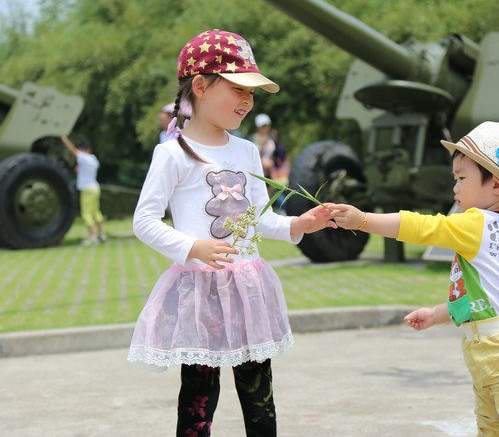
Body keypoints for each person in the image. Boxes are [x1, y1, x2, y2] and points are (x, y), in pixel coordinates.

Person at [127, 29, 336, 436]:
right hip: (200, 292)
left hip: (247, 289)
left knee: (259, 391)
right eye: (238, 88)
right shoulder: (172, 154)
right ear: (200, 87)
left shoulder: (246, 151)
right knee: (199, 393)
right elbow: (144, 220)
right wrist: (193, 247)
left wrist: (299, 224)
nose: (247, 100)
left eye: (251, 93)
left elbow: (257, 220)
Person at [328, 122, 499, 436]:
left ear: (497, 186)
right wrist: (435, 314)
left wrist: (364, 220)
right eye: (454, 179)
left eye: (462, 178)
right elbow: (481, 300)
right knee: (493, 428)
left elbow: (423, 227)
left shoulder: (476, 222)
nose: (455, 188)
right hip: (495, 350)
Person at [60, 135, 106, 245]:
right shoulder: (93, 159)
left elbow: (73, 150)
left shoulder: (83, 157)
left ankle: (92, 236)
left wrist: (64, 139)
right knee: (96, 212)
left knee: (86, 214)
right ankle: (102, 234)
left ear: (83, 149)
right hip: (95, 187)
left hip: (87, 189)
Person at [250, 113, 276, 179]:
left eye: (266, 125)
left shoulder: (273, 139)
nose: (265, 128)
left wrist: (272, 163)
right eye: (263, 126)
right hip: (254, 174)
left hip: (268, 175)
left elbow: (279, 157)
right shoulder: (250, 139)